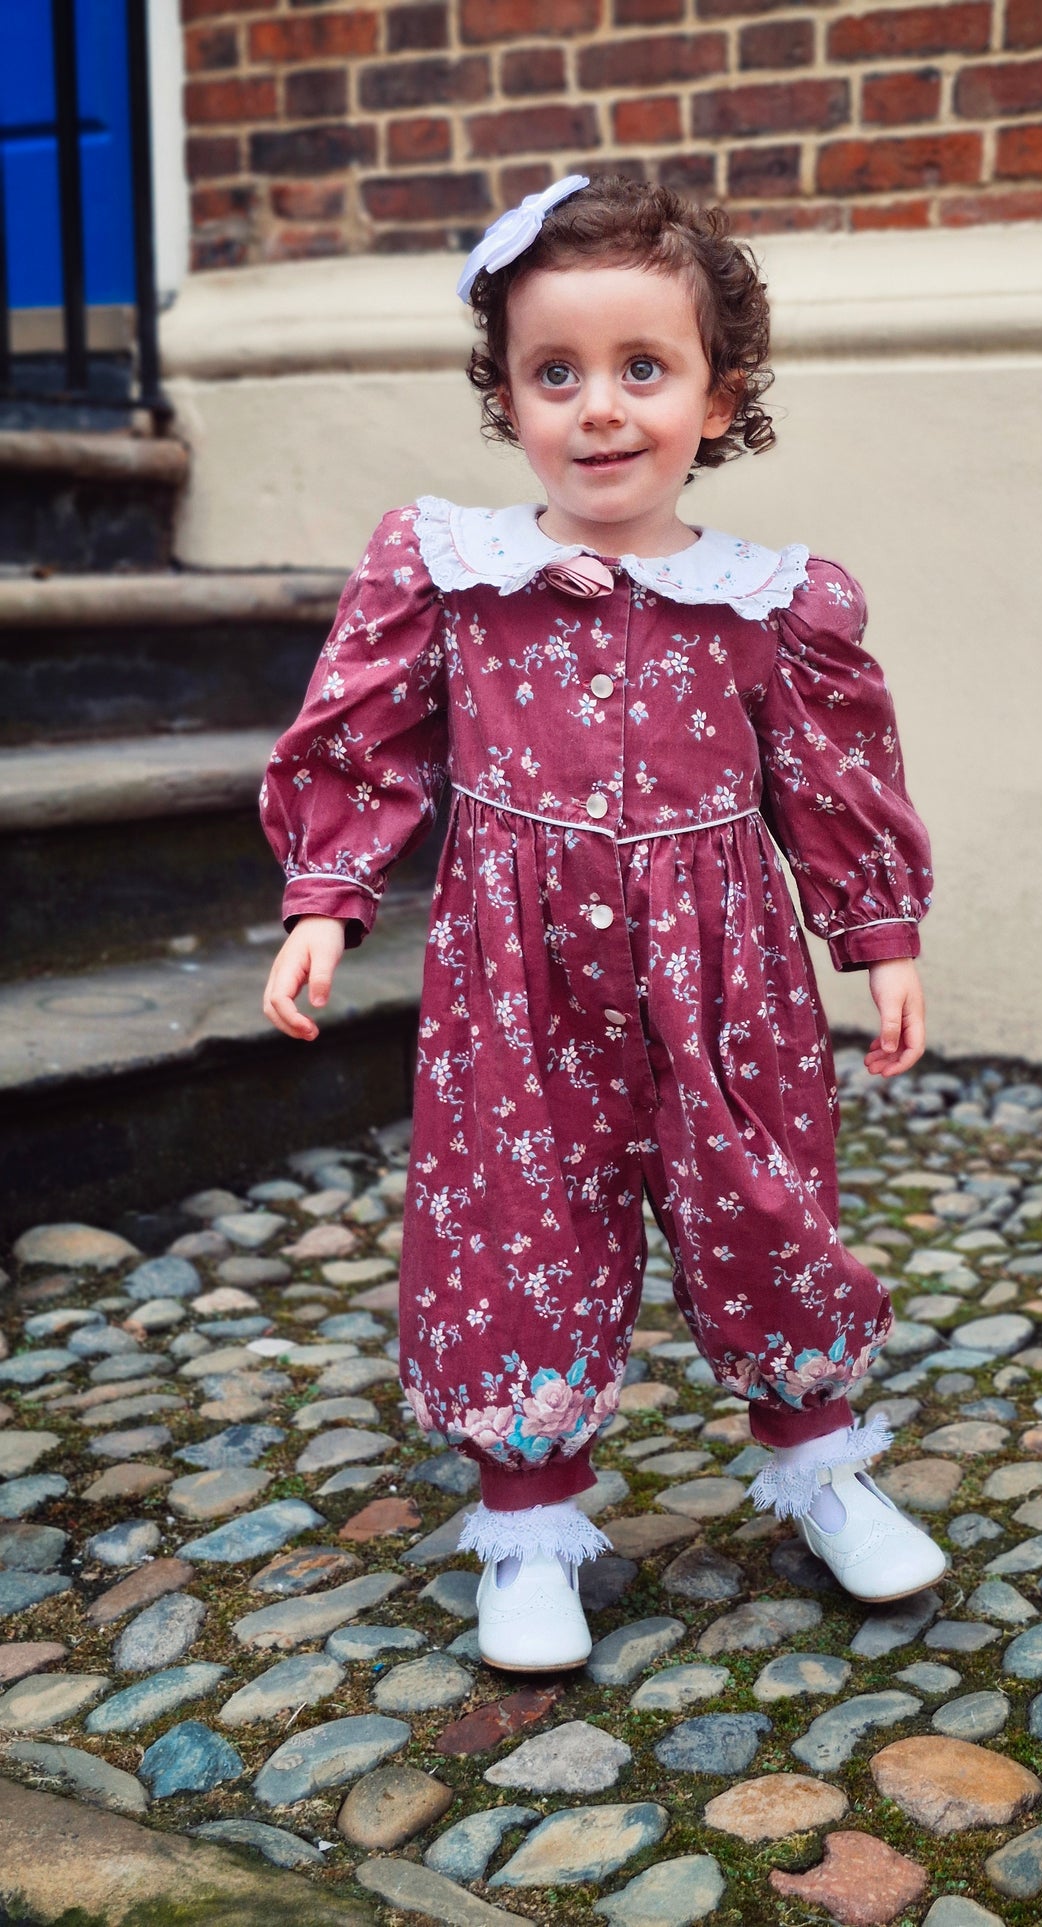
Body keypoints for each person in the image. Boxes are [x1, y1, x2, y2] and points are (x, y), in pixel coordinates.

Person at [259, 174, 945, 1671]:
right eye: (554, 373)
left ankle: (820, 1460)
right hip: (517, 978)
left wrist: (879, 933)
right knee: (515, 1221)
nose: (601, 409)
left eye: (644, 367)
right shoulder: (454, 575)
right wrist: (326, 899)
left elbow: (829, 781)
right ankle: (528, 1524)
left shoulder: (767, 603)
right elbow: (367, 743)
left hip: (726, 971)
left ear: (719, 395)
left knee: (762, 1201)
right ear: (506, 399)